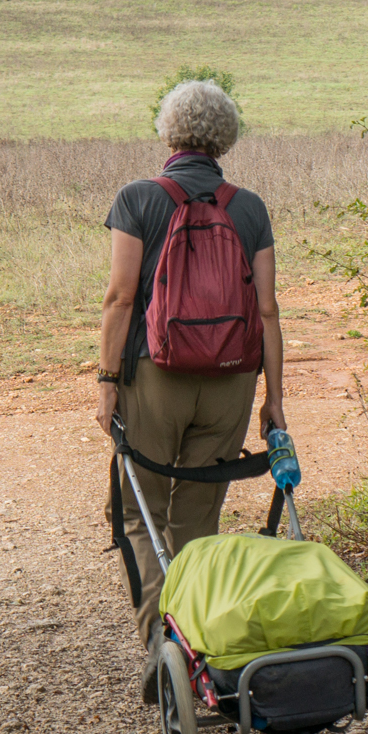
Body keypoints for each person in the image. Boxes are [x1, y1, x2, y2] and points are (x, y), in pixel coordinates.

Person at [95, 78, 284, 702]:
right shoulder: (248, 206)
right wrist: (273, 401)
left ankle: (161, 648)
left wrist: (105, 382)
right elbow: (268, 311)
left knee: (138, 512)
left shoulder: (138, 198)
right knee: (196, 517)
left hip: (157, 376)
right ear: (224, 135)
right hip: (231, 381)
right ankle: (201, 648)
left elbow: (122, 296)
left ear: (167, 130)